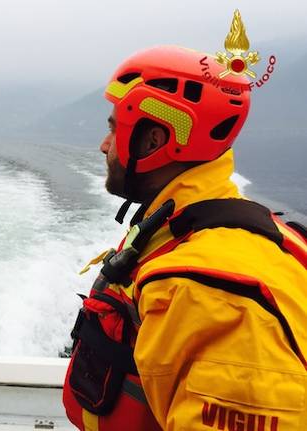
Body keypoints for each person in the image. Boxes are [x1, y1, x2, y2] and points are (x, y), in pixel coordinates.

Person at [63, 46, 307, 431]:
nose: (104, 145)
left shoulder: (209, 293)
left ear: (153, 141)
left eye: (113, 129)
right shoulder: (190, 231)